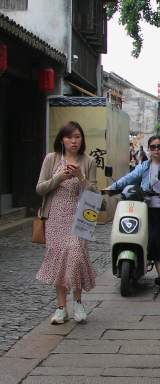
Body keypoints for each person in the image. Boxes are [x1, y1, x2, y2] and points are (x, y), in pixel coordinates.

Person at [36, 121, 98, 324]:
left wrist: (80, 176)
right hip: (55, 216)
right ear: (62, 139)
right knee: (59, 259)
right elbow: (40, 188)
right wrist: (59, 178)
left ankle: (78, 302)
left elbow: (94, 194)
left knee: (77, 255)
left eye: (78, 137)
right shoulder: (52, 159)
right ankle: (61, 308)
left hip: (81, 216)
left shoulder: (88, 161)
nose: (74, 141)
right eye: (70, 137)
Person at [107, 135, 160, 286]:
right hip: (151, 209)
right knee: (156, 242)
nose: (157, 150)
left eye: (159, 146)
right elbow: (130, 177)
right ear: (149, 149)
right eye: (153, 147)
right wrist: (113, 187)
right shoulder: (144, 166)